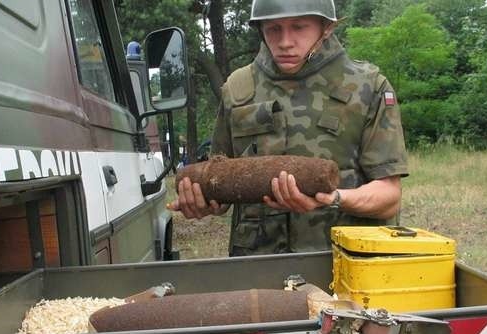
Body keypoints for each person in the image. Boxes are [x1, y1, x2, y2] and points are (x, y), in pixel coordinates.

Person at [168, 0, 409, 256]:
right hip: (259, 266)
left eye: (298, 27)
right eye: (273, 29)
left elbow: (388, 197)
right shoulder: (238, 89)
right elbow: (221, 182)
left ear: (326, 27)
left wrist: (334, 198)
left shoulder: (367, 87)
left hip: (344, 261)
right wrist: (205, 203)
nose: (285, 41)